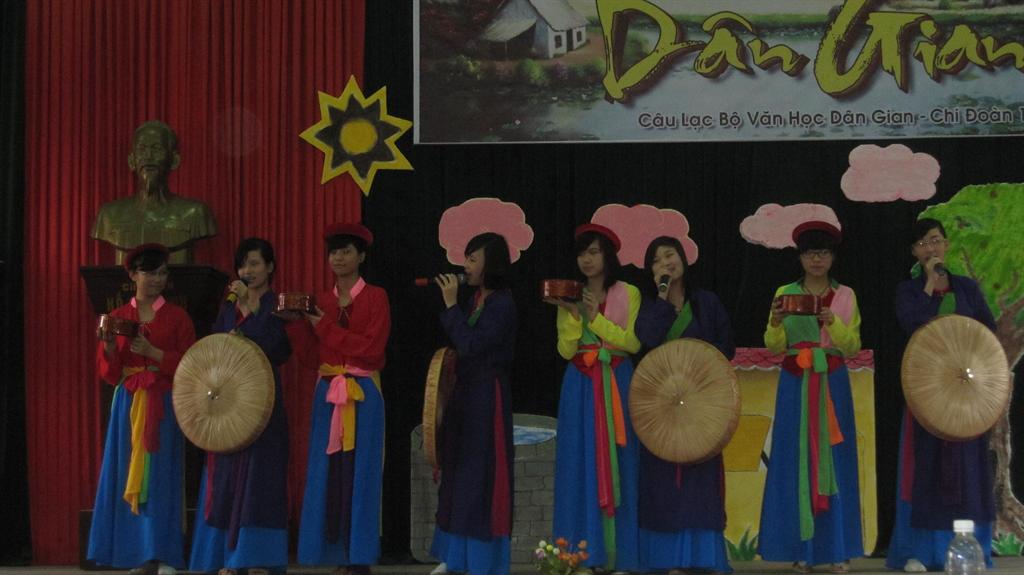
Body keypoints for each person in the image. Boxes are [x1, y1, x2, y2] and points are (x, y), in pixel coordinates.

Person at [885, 218, 996, 573]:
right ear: (914, 253)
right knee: (925, 468)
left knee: (970, 469)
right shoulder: (909, 290)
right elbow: (911, 323)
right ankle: (920, 551)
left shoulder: (967, 289)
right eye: (922, 244)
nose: (930, 248)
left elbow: (988, 332)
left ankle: (973, 549)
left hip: (965, 394)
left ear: (946, 244)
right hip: (927, 393)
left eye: (935, 240)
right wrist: (929, 285)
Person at [758, 221, 863, 574]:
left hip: (831, 382)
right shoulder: (785, 292)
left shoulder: (845, 295)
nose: (817, 259)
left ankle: (837, 550)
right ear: (800, 257)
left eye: (823, 252)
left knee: (836, 458)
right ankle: (800, 548)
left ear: (833, 257)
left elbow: (852, 347)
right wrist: (776, 322)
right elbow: (774, 347)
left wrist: (833, 322)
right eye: (810, 253)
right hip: (795, 382)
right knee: (795, 460)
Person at [87, 243, 195, 575]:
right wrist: (108, 347)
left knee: (161, 476)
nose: (157, 279)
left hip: (163, 402)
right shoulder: (119, 316)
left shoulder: (177, 317)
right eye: (149, 273)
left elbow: (192, 364)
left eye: (162, 273)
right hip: (128, 403)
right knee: (126, 474)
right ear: (133, 275)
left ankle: (162, 554)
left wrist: (154, 353)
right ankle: (134, 554)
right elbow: (110, 374)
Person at [189, 238, 292, 575]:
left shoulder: (279, 305)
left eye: (255, 263)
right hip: (229, 403)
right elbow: (215, 347)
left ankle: (257, 558)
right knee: (225, 479)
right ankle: (225, 559)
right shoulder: (228, 308)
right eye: (243, 265)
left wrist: (251, 306)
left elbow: (277, 346)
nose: (248, 271)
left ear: (270, 267)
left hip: (262, 400)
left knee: (261, 478)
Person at [293, 223, 391, 575]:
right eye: (333, 252)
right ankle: (333, 553)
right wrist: (294, 324)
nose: (338, 258)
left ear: (361, 256)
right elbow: (310, 357)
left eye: (346, 251)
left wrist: (324, 327)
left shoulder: (376, 297)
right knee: (327, 473)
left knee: (362, 472)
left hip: (363, 392)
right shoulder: (320, 301)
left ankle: (359, 555)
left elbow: (371, 350)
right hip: (328, 392)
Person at [634, 236, 735, 575]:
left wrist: (697, 365)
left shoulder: (706, 302)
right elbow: (648, 338)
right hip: (660, 408)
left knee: (700, 482)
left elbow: (726, 347)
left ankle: (702, 557)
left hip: (701, 406)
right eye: (657, 260)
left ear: (683, 258)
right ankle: (667, 559)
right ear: (651, 271)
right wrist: (662, 298)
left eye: (670, 254)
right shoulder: (650, 306)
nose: (666, 262)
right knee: (662, 482)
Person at [546, 223, 642, 573]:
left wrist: (595, 319)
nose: (586, 260)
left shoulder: (628, 292)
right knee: (579, 463)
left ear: (608, 256)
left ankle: (622, 557)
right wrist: (573, 317)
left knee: (623, 461)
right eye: (582, 254)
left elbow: (632, 343)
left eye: (594, 252)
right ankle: (580, 555)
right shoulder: (571, 293)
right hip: (581, 383)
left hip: (617, 379)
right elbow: (565, 350)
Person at [429, 232, 517, 575]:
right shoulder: (477, 300)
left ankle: (483, 561)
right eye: (466, 258)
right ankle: (456, 557)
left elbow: (472, 345)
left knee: (482, 477)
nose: (465, 266)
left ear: (490, 264)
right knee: (459, 475)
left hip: (486, 397)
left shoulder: (503, 304)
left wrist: (450, 305)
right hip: (465, 395)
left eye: (472, 259)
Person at [91, 120, 217, 265]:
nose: (148, 156)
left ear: (174, 160)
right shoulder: (109, 215)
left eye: (157, 149)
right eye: (142, 149)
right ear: (131, 161)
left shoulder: (195, 213)